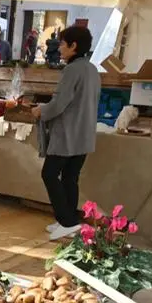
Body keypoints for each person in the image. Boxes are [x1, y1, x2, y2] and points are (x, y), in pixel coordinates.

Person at [30, 25, 100, 242]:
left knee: (49, 174)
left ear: (73, 46)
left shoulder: (71, 70)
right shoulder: (92, 69)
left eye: (62, 43)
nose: (58, 47)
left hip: (68, 134)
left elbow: (59, 103)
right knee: (70, 177)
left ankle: (67, 222)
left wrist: (41, 111)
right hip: (85, 133)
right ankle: (68, 221)